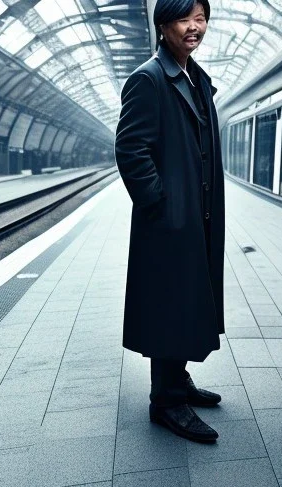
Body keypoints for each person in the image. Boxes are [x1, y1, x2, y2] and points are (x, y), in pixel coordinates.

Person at [114, 0, 225, 443]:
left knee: (186, 299)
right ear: (163, 26)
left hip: (196, 216)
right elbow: (130, 149)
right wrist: (159, 205)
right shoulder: (149, 78)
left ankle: (178, 381)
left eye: (201, 19)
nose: (195, 27)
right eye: (186, 19)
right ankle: (166, 402)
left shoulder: (195, 77)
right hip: (169, 220)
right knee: (169, 303)